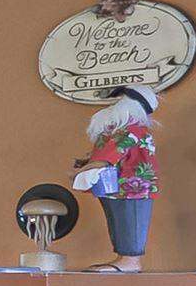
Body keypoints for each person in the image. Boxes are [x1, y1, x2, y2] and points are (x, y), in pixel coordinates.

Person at [68, 84, 160, 270]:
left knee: (129, 219)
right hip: (115, 186)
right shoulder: (121, 130)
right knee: (118, 220)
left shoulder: (130, 131)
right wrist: (88, 164)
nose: (114, 105)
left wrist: (84, 170)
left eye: (120, 100)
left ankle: (130, 260)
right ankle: (124, 258)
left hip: (131, 187)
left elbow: (110, 156)